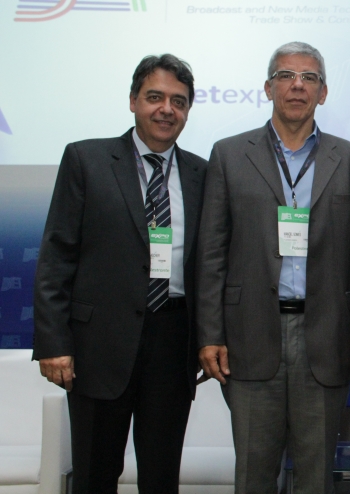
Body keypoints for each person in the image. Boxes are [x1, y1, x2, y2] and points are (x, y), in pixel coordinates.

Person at [195, 41, 350, 494]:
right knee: (253, 475)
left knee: (316, 477)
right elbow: (212, 253)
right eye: (286, 76)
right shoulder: (228, 154)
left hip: (327, 335)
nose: (297, 85)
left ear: (323, 92)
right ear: (268, 88)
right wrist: (210, 333)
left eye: (309, 78)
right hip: (249, 334)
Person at [33, 54, 207, 493]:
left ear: (188, 110)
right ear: (133, 101)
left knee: (161, 478)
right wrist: (54, 343)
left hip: (173, 343)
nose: (166, 109)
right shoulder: (86, 159)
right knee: (95, 475)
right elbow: (56, 257)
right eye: (155, 97)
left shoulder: (202, 173)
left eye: (178, 101)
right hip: (98, 345)